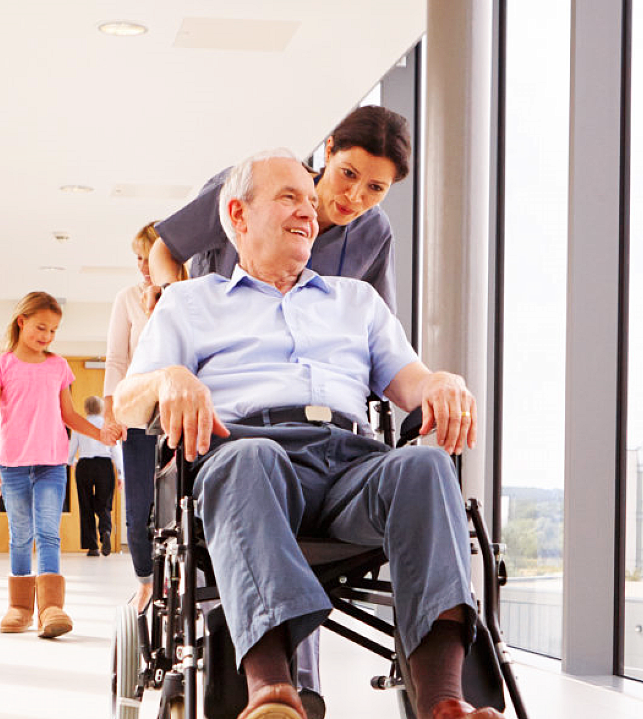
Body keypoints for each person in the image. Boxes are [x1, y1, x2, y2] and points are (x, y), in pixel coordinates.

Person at [116, 149, 498, 719]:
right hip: (250, 456)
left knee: (424, 466)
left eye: (308, 199)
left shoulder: (356, 301)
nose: (309, 213)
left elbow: (410, 381)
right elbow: (126, 402)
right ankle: (273, 693)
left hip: (352, 466)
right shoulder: (189, 304)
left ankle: (445, 701)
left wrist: (442, 382)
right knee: (249, 458)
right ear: (238, 216)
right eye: (288, 197)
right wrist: (171, 378)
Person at [149, 105, 409, 308]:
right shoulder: (247, 186)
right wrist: (169, 296)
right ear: (329, 151)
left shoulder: (374, 231)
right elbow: (166, 249)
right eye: (348, 174)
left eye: (375, 188)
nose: (354, 196)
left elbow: (380, 321)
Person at [0, 291, 120, 638]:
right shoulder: (0, 367)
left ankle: (51, 608)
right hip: (13, 466)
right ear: (21, 321)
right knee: (20, 535)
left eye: (54, 330)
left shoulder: (58, 367)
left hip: (52, 466)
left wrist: (101, 435)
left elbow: (69, 414)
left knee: (48, 533)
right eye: (41, 327)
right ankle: (19, 608)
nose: (47, 336)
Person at [103, 222, 171, 600]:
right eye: (139, 259)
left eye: (149, 257)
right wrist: (111, 416)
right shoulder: (128, 298)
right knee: (140, 508)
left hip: (180, 416)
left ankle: (184, 583)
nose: (144, 267)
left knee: (183, 507)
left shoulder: (191, 294)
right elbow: (116, 361)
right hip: (139, 418)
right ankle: (146, 582)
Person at [69, 395, 120, 556]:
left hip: (84, 465)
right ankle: (105, 531)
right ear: (101, 408)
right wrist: (121, 474)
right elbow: (116, 451)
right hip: (104, 465)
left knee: (86, 505)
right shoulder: (107, 425)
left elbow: (70, 451)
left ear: (86, 409)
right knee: (104, 503)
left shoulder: (80, 425)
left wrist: (73, 461)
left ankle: (92, 547)